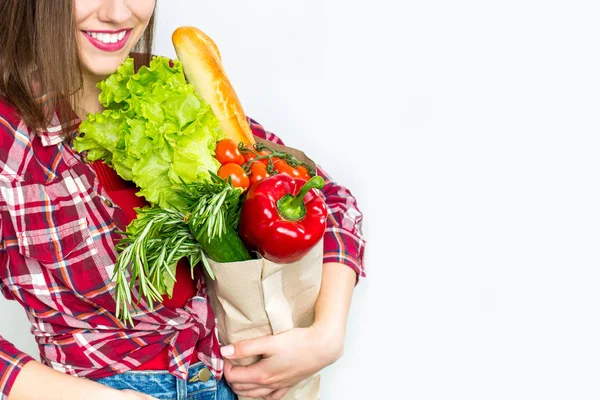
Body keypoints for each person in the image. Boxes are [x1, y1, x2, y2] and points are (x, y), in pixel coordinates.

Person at [0, 1, 366, 400]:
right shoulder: (9, 132)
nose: (119, 14)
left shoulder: (164, 86)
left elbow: (322, 196)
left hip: (233, 384)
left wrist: (326, 335)